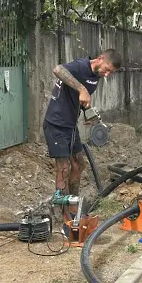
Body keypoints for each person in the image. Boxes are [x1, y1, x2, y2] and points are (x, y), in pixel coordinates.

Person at [43, 49, 122, 203]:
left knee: (79, 164)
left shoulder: (96, 76)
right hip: (56, 123)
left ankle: (74, 204)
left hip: (71, 125)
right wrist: (82, 89)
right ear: (100, 58)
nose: (107, 75)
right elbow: (58, 70)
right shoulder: (81, 66)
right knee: (63, 167)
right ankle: (63, 210)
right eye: (107, 70)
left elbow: (79, 99)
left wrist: (87, 112)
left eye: (110, 73)